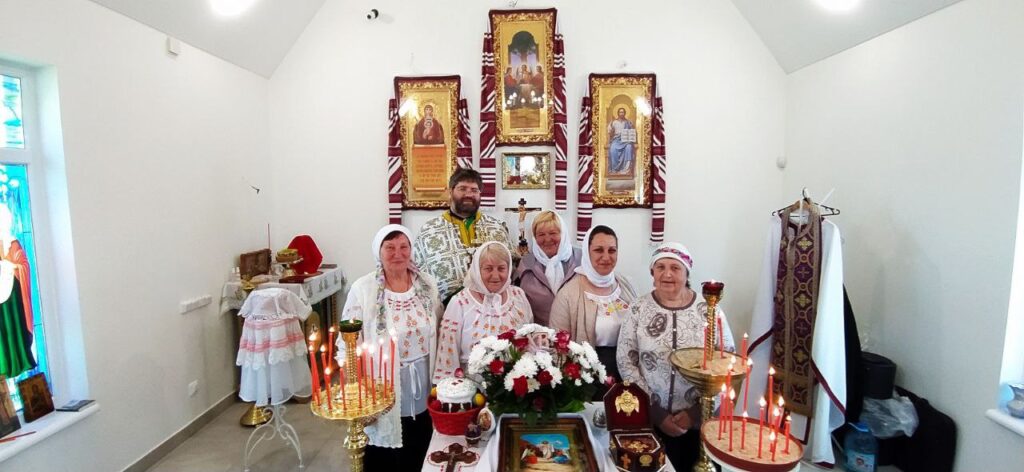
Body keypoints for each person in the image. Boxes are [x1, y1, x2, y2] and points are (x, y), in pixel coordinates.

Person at [617, 243, 736, 471]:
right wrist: (656, 412)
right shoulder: (638, 308)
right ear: (652, 273)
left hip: (700, 422)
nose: (667, 274)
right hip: (651, 420)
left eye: (675, 267)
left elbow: (728, 364)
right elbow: (626, 360)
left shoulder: (709, 310)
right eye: (660, 267)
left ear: (687, 273)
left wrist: (694, 414)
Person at [337, 224, 443, 469]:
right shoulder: (363, 289)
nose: (398, 253)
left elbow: (439, 325)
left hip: (423, 381)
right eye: (390, 247)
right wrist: (355, 386)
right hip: (382, 383)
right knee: (387, 453)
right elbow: (348, 342)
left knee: (421, 443)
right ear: (379, 251)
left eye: (404, 247)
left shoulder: (426, 284)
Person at [549, 225, 637, 394]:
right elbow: (558, 348)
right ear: (587, 252)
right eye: (598, 250)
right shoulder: (568, 294)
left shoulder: (626, 285)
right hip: (588, 378)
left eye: (612, 250)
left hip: (627, 372)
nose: (606, 257)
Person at [413, 168, 517, 303]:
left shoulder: (496, 228)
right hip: (446, 307)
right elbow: (418, 274)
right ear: (450, 192)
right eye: (462, 189)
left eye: (474, 190)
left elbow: (511, 268)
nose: (468, 194)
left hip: (493, 307)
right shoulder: (429, 231)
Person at [433, 241, 532, 382]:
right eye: (488, 269)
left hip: (515, 385)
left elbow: (529, 339)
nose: (495, 276)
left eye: (501, 268)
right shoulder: (460, 303)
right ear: (476, 270)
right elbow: (447, 355)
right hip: (472, 388)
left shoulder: (518, 296)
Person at [513, 210, 580, 327]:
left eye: (553, 233)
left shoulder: (581, 260)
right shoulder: (525, 264)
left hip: (577, 334)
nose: (547, 239)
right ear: (534, 237)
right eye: (541, 234)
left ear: (563, 233)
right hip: (540, 334)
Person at [607, 107, 635, 175]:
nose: (621, 114)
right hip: (616, 140)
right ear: (618, 113)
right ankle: (614, 169)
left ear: (625, 113)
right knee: (612, 149)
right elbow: (609, 132)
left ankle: (626, 169)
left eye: (623, 112)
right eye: (620, 112)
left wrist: (631, 127)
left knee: (629, 147)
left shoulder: (628, 122)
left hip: (625, 140)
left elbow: (632, 132)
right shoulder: (613, 122)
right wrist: (611, 131)